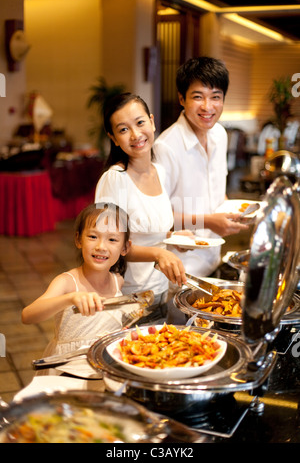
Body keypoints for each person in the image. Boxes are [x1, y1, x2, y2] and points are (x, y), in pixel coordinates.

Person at [153, 56, 248, 279]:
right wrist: (209, 221)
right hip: (181, 267)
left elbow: (216, 191)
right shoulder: (166, 147)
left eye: (216, 97)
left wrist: (234, 212)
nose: (207, 107)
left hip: (214, 257)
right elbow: (159, 217)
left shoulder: (220, 135)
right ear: (182, 99)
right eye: (198, 97)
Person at [95, 92, 186, 322]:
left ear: (152, 122)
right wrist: (158, 253)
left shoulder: (160, 171)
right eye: (123, 129)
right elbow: (106, 246)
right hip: (128, 300)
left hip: (160, 293)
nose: (136, 135)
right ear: (114, 138)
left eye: (140, 123)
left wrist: (173, 238)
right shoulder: (115, 179)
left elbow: (149, 232)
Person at [22, 202, 135, 355]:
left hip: (105, 362)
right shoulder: (67, 282)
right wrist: (70, 298)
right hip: (68, 365)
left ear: (125, 248)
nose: (101, 246)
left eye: (112, 240)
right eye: (93, 236)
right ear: (78, 240)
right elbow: (28, 316)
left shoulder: (117, 281)